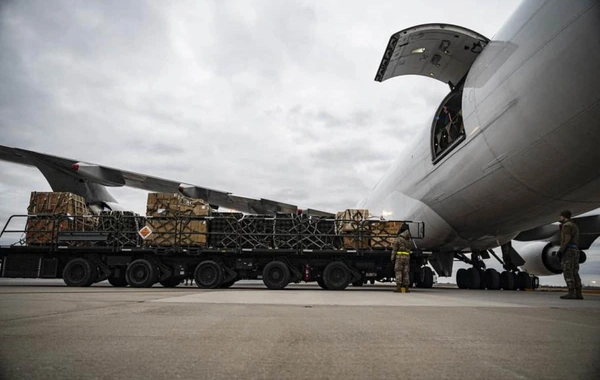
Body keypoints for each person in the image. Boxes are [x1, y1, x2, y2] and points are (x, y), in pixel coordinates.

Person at [558, 210, 583, 300]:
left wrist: (561, 251)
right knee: (575, 271)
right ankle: (578, 293)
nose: (559, 218)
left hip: (569, 250)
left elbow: (566, 239)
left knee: (567, 270)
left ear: (564, 217)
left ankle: (571, 292)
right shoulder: (574, 225)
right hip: (575, 249)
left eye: (560, 216)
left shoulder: (566, 226)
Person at [391, 223, 412, 293]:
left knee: (398, 271)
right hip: (407, 257)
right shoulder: (409, 240)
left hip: (399, 258)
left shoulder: (398, 239)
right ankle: (406, 288)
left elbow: (394, 249)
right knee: (406, 272)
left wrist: (392, 258)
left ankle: (399, 287)